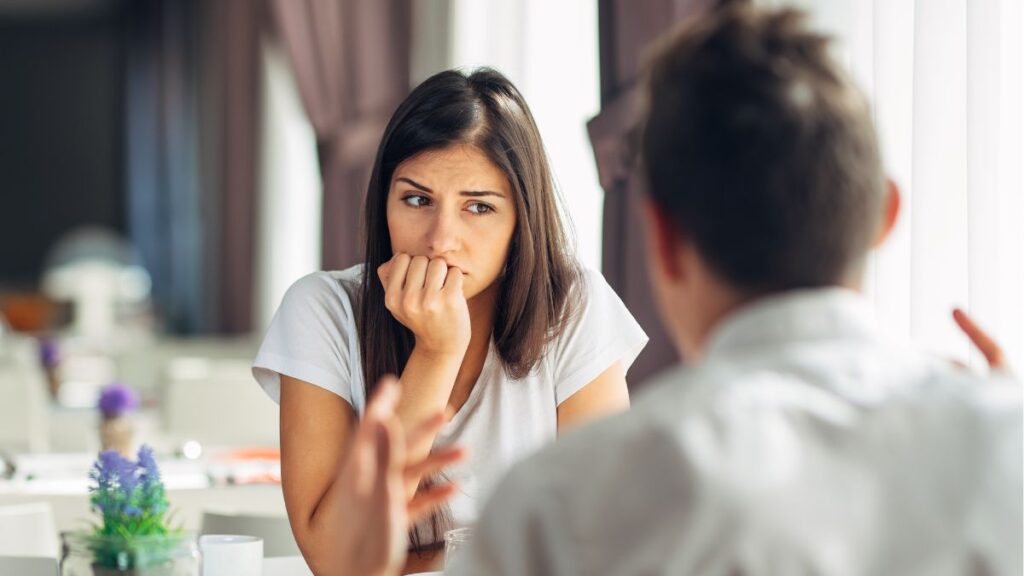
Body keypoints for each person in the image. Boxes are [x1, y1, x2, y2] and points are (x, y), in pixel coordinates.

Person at [331, 4, 1023, 575]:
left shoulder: (563, 500)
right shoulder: (1003, 446)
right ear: (884, 216)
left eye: (479, 206)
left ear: (659, 237)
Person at [252, 68, 648, 573]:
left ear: (521, 223)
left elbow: (599, 543)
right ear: (384, 205)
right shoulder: (321, 310)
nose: (441, 239)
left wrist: (424, 560)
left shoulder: (573, 307)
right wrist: (436, 354)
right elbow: (337, 559)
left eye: (478, 207)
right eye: (417, 200)